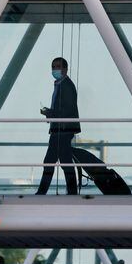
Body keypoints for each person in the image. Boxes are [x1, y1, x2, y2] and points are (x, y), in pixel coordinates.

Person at [36, 57, 80, 195]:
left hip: (62, 130)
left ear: (65, 69)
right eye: (53, 67)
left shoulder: (66, 86)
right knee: (64, 162)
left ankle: (42, 192)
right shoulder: (61, 84)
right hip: (60, 129)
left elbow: (66, 110)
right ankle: (71, 191)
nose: (55, 69)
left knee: (51, 161)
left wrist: (49, 112)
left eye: (58, 67)